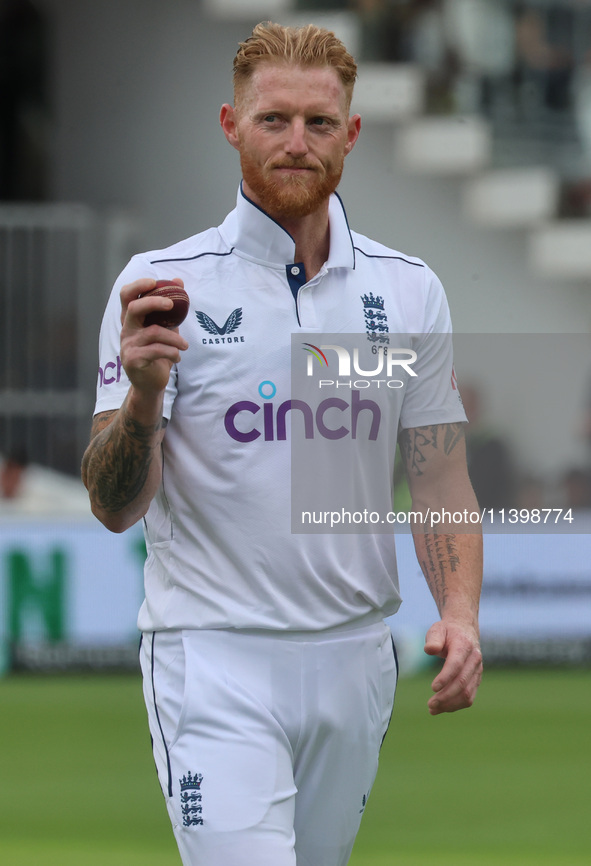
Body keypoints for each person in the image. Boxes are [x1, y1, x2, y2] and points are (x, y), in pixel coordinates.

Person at [82, 21, 482, 866]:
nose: (296, 143)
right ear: (231, 125)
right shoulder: (160, 285)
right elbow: (114, 506)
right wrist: (146, 395)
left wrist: (458, 614)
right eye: (273, 120)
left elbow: (439, 476)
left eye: (319, 123)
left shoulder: (408, 290)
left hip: (355, 660)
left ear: (352, 134)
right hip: (212, 657)